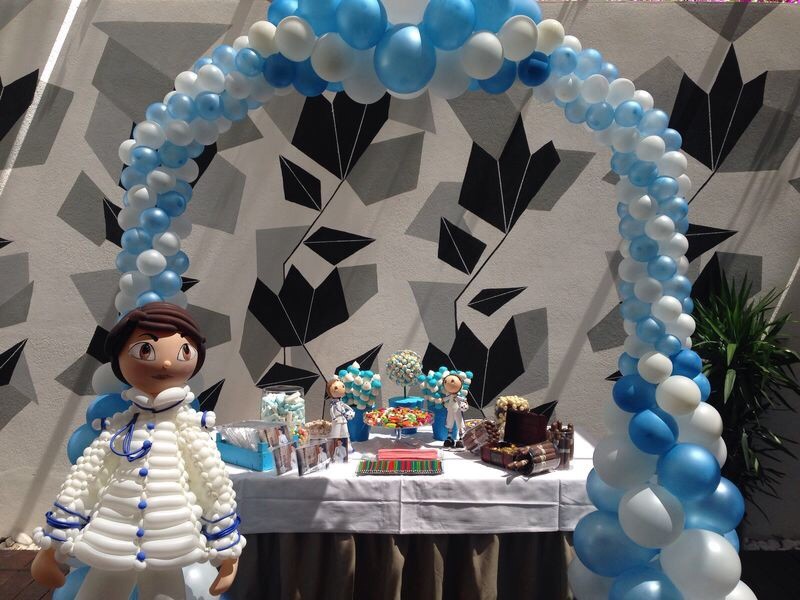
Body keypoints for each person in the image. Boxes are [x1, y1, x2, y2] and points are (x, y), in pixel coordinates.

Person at [30, 303, 244, 599]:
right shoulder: (119, 429)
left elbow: (213, 486)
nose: (166, 363)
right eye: (145, 350)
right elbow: (84, 482)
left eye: (184, 351)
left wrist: (227, 552)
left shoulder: (190, 429)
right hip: (114, 539)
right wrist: (52, 546)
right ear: (119, 360)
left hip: (169, 541)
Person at [442, 374, 468, 449]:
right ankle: (449, 438)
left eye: (453, 381)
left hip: (458, 412)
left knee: (459, 424)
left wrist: (465, 405)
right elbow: (444, 399)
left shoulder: (458, 397)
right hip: (450, 412)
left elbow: (464, 401)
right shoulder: (449, 396)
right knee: (449, 424)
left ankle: (461, 438)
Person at [327, 377, 354, 442]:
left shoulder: (341, 402)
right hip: (337, 419)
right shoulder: (333, 403)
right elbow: (331, 411)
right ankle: (335, 444)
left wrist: (350, 409)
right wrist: (334, 418)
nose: (341, 389)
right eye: (336, 388)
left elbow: (345, 406)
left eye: (343, 386)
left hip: (343, 418)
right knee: (336, 432)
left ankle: (347, 444)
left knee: (345, 432)